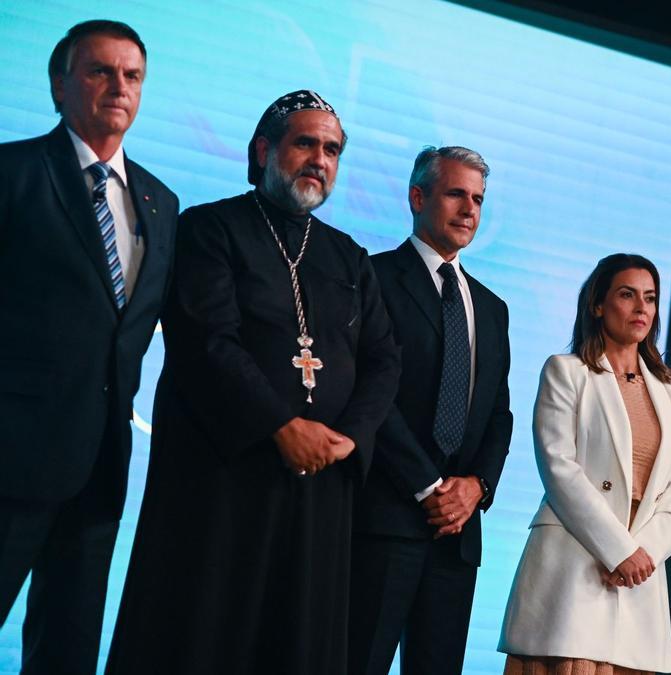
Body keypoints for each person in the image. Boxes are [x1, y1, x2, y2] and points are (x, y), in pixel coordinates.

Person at [104, 91, 400, 675]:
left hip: (320, 489)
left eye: (333, 150)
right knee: (204, 636)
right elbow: (207, 340)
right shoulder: (209, 229)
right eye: (305, 143)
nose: (320, 159)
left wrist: (349, 437)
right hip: (223, 483)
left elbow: (384, 360)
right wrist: (280, 426)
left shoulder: (349, 257)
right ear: (264, 150)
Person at [0, 20, 177, 674]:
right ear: (59, 83)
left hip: (102, 465)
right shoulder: (12, 172)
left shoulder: (161, 202)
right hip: (10, 459)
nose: (117, 87)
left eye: (131, 75)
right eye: (99, 71)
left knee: (67, 652)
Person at [349, 146, 513, 675]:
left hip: (457, 536)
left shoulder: (491, 308)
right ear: (418, 197)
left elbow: (498, 416)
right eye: (456, 194)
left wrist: (476, 488)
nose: (469, 210)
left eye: (479, 200)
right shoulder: (370, 277)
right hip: (385, 520)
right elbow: (371, 396)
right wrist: (428, 486)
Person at [499, 253, 671, 674]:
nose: (642, 307)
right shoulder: (566, 371)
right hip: (574, 567)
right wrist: (618, 551)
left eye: (650, 298)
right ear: (597, 305)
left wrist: (642, 555)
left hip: (639, 578)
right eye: (628, 295)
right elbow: (558, 469)